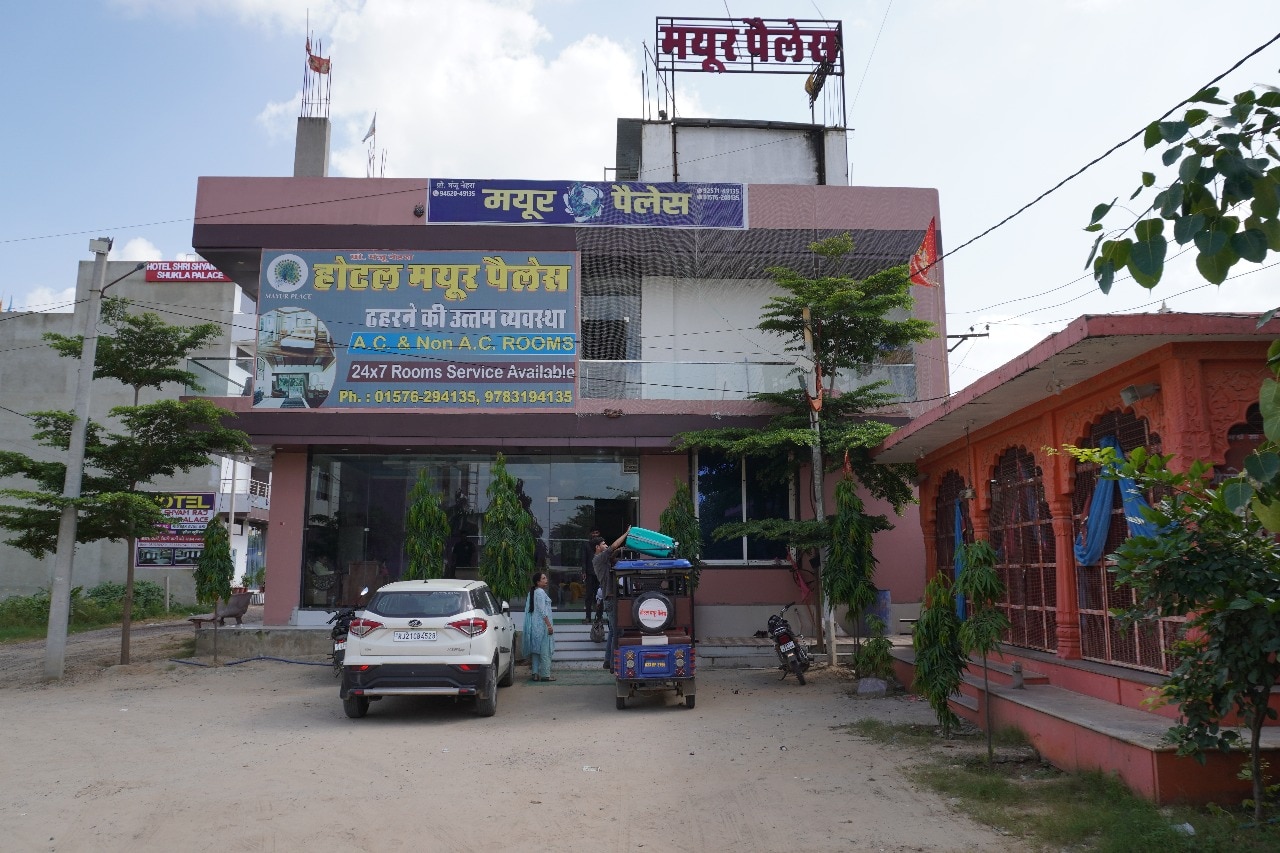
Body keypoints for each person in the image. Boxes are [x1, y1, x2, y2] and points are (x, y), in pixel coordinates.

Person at [593, 527, 630, 670]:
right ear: (597, 547)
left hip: (610, 599)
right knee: (618, 632)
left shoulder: (603, 560)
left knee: (614, 631)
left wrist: (621, 549)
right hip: (610, 599)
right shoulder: (599, 558)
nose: (606, 545)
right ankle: (615, 664)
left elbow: (613, 552)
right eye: (603, 544)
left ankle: (608, 661)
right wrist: (626, 533)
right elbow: (614, 546)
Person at [521, 571, 556, 682]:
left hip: (535, 626)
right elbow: (542, 611)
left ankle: (535, 674)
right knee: (545, 650)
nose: (546, 580)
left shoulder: (534, 592)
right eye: (544, 578)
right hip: (542, 626)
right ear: (538, 582)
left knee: (536, 651)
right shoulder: (540, 592)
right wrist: (549, 625)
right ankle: (545, 675)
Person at [581, 529, 602, 623]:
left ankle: (599, 617)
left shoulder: (602, 545)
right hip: (589, 573)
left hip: (600, 574)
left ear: (599, 533)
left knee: (599, 596)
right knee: (589, 596)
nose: (595, 534)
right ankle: (588, 617)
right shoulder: (586, 545)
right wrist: (584, 571)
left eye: (597, 532)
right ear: (590, 534)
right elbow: (584, 559)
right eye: (593, 533)